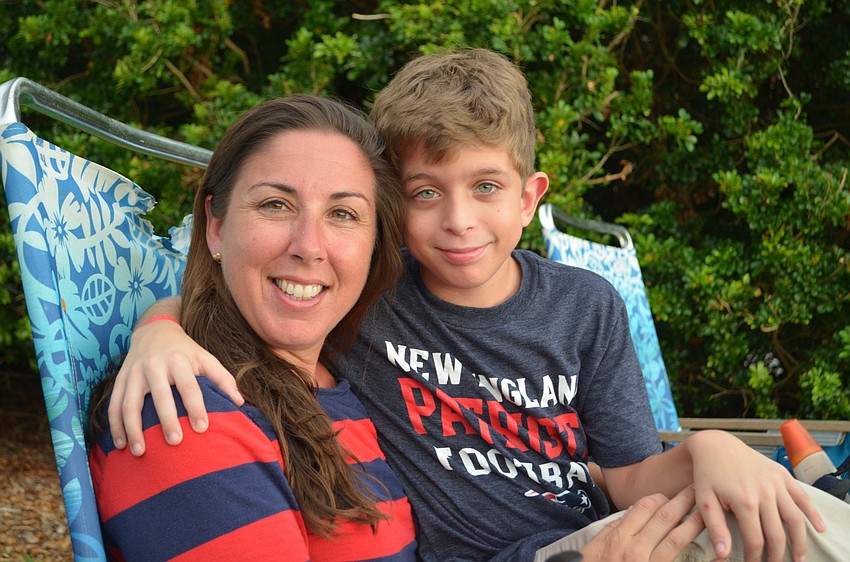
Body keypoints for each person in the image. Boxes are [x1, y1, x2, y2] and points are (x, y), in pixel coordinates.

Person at [106, 49, 850, 561]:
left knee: (797, 521)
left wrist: (714, 446)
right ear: (398, 211)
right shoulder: (373, 300)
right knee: (808, 534)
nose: (459, 222)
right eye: (427, 194)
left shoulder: (582, 306)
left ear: (531, 198)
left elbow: (625, 473)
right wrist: (159, 331)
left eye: (486, 188)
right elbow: (241, 302)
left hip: (614, 524)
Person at [86, 94, 419, 560]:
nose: (309, 246)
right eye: (276, 204)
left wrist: (159, 320)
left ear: (374, 245)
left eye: (342, 213)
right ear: (216, 227)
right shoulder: (183, 412)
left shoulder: (352, 376)